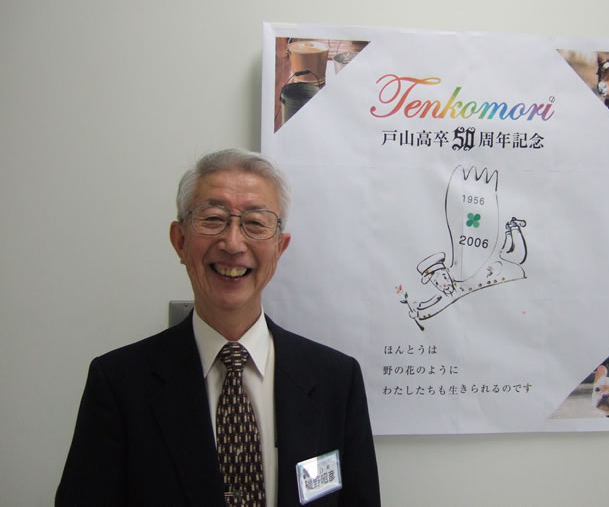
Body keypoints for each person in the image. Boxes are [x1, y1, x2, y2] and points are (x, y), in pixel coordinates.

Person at [56, 149, 381, 506]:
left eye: (255, 223)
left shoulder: (336, 380)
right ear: (180, 241)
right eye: (213, 219)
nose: (233, 243)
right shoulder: (119, 384)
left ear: (280, 247)